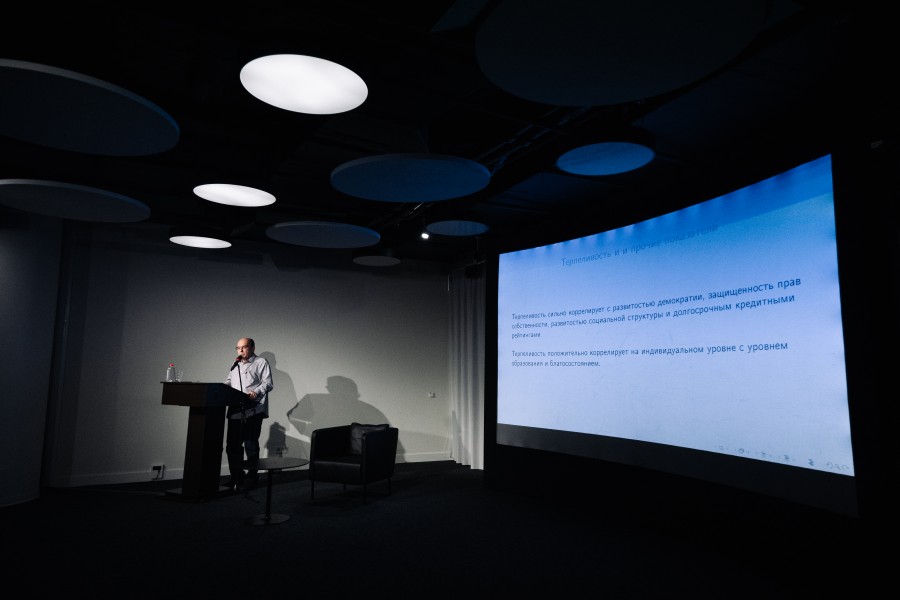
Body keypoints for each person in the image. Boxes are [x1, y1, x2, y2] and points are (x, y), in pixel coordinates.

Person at [224, 337, 273, 492]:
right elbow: (229, 382)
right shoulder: (236, 364)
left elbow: (268, 383)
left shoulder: (261, 362)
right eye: (238, 347)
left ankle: (252, 477)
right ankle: (236, 476)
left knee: (250, 445)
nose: (240, 350)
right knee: (232, 447)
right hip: (235, 411)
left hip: (253, 410)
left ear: (252, 348)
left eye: (244, 347)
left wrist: (255, 392)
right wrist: (219, 389)